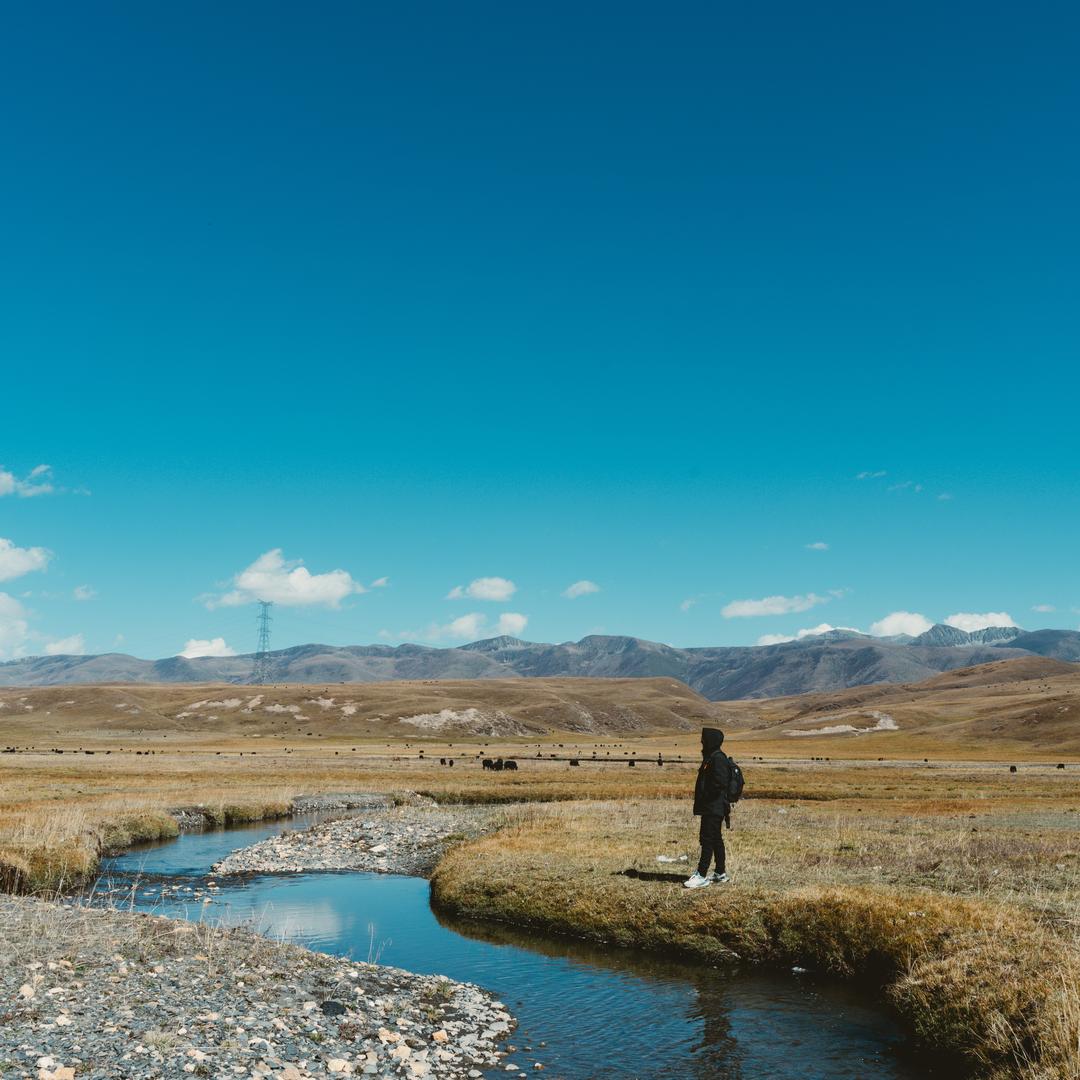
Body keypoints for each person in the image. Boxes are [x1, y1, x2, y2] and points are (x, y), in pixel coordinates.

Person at [684, 726, 731, 888]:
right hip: (712, 806)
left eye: (704, 739)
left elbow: (720, 783)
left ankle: (701, 875)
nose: (701, 741)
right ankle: (720, 873)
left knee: (707, 839)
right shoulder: (712, 757)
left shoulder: (717, 759)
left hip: (714, 806)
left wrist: (707, 797)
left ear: (710, 741)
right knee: (716, 838)